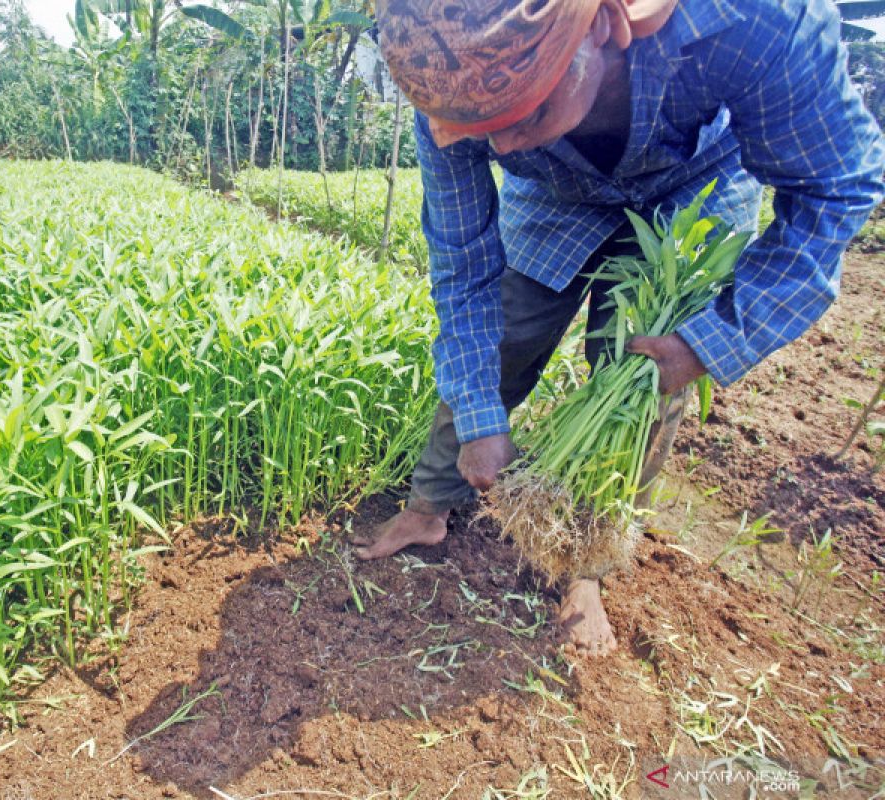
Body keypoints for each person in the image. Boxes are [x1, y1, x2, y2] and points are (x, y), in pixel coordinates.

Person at [354, 0, 885, 656]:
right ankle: (428, 506)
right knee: (506, 338)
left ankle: (587, 570)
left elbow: (836, 189)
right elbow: (464, 273)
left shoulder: (761, 20)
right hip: (556, 197)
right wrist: (481, 420)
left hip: (693, 193)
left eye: (528, 116)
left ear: (601, 27)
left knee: (639, 387)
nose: (505, 147)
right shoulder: (444, 71)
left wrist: (711, 341)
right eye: (482, 134)